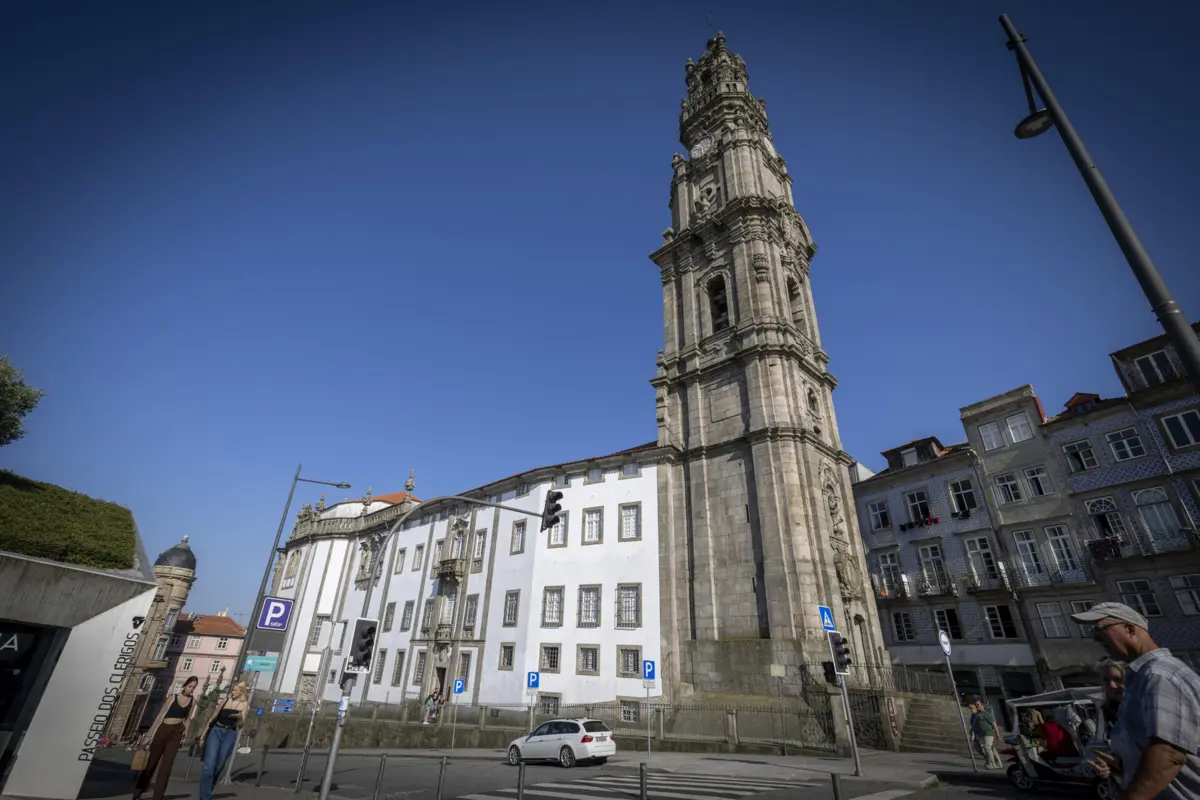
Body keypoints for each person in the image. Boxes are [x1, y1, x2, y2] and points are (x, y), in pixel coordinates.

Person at [1071, 602, 1200, 800]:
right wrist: (1122, 764)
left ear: (1130, 629)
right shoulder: (1141, 677)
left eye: (1099, 628)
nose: (1094, 636)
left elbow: (1169, 754)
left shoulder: (1159, 674)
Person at [134, 676, 199, 800]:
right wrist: (149, 734)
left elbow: (188, 719)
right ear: (185, 685)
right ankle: (139, 789)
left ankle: (158, 796)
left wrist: (184, 735)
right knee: (151, 762)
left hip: (176, 732)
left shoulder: (193, 701)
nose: (191, 689)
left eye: (194, 687)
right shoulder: (172, 698)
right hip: (163, 729)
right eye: (190, 686)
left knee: (167, 765)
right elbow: (160, 716)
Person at [197, 682, 249, 800]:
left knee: (219, 765)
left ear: (241, 692)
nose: (233, 692)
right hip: (216, 731)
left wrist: (240, 717)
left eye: (236, 690)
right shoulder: (225, 701)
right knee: (208, 766)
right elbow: (213, 717)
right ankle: (205, 797)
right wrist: (203, 735)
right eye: (233, 690)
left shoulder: (244, 704)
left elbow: (241, 725)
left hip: (230, 733)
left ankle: (207, 790)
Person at [971, 697, 1003, 770]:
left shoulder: (986, 714)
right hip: (982, 734)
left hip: (988, 733)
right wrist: (971, 731)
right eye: (976, 705)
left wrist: (997, 734)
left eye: (978, 705)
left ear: (982, 705)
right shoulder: (978, 715)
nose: (977, 706)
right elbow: (975, 724)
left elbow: (994, 724)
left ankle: (992, 764)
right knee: (992, 748)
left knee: (987, 748)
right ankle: (999, 763)